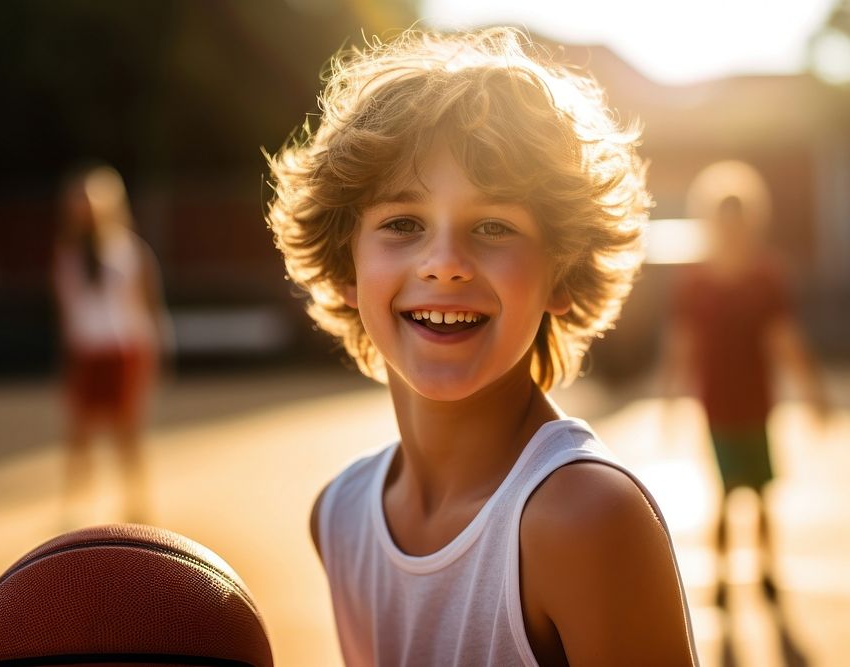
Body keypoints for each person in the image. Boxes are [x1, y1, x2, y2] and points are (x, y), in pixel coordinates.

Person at [266, 28, 697, 666]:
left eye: (494, 225)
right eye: (402, 224)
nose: (444, 263)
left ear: (561, 272)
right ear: (346, 266)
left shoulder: (590, 519)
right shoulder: (339, 515)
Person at [663, 161, 830, 611]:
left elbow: (784, 340)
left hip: (757, 402)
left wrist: (813, 389)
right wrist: (670, 400)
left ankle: (767, 571)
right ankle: (721, 579)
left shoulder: (766, 277)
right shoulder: (695, 282)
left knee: (760, 494)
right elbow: (684, 345)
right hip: (716, 403)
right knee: (722, 493)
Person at [53, 164, 169, 525]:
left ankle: (137, 501)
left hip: (124, 350)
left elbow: (149, 306)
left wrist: (156, 352)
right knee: (79, 433)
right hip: (87, 351)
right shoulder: (67, 255)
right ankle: (75, 502)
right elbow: (67, 311)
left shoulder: (130, 251)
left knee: (126, 431)